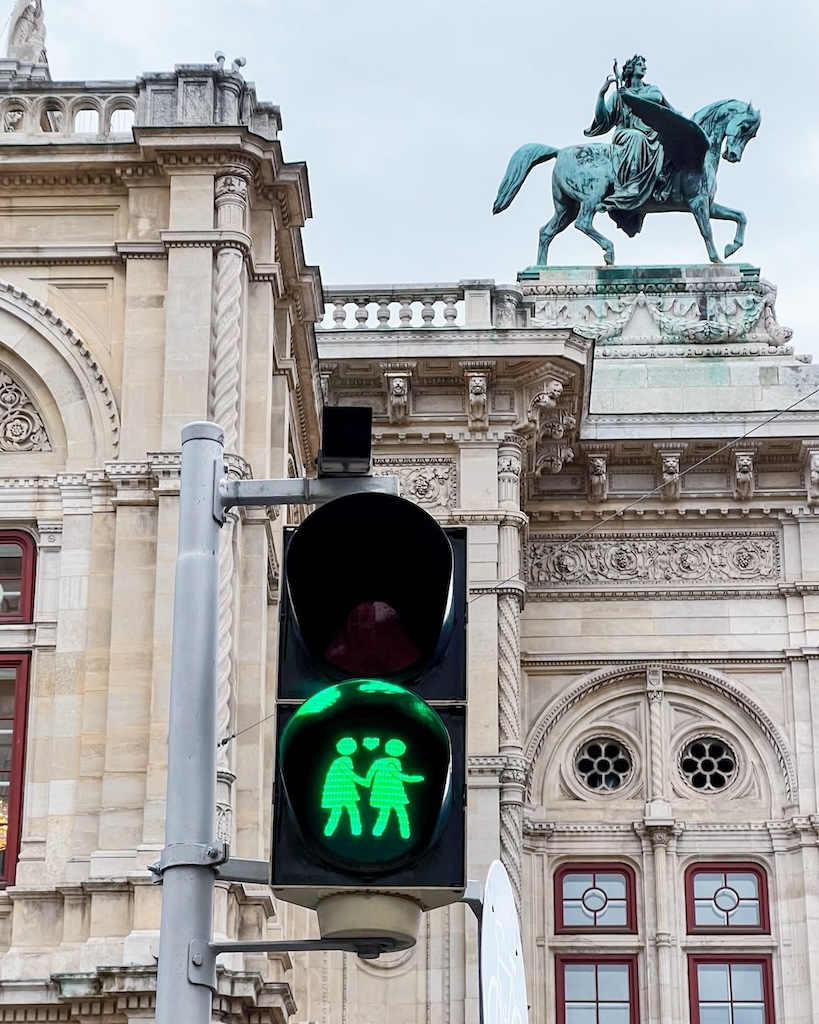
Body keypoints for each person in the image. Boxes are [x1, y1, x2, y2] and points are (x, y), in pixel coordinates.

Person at [585, 55, 675, 225]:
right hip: (626, 134)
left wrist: (629, 97)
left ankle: (661, 180)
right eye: (640, 65)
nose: (644, 68)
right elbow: (602, 118)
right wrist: (601, 95)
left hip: (652, 134)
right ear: (631, 69)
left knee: (668, 139)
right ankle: (631, 184)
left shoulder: (651, 90)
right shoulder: (618, 95)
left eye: (644, 65)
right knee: (637, 136)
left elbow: (656, 99)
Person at [364, 739, 424, 840]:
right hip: (394, 793)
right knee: (401, 813)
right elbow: (399, 775)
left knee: (384, 813)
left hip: (382, 794)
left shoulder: (378, 762)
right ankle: (405, 833)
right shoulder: (393, 763)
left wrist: (363, 781)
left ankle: (377, 831)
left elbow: (369, 777)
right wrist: (414, 779)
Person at [321, 737, 368, 837]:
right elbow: (349, 774)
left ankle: (329, 831)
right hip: (344, 791)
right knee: (352, 810)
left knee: (336, 813)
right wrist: (362, 781)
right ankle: (356, 830)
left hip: (337, 792)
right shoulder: (344, 761)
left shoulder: (338, 761)